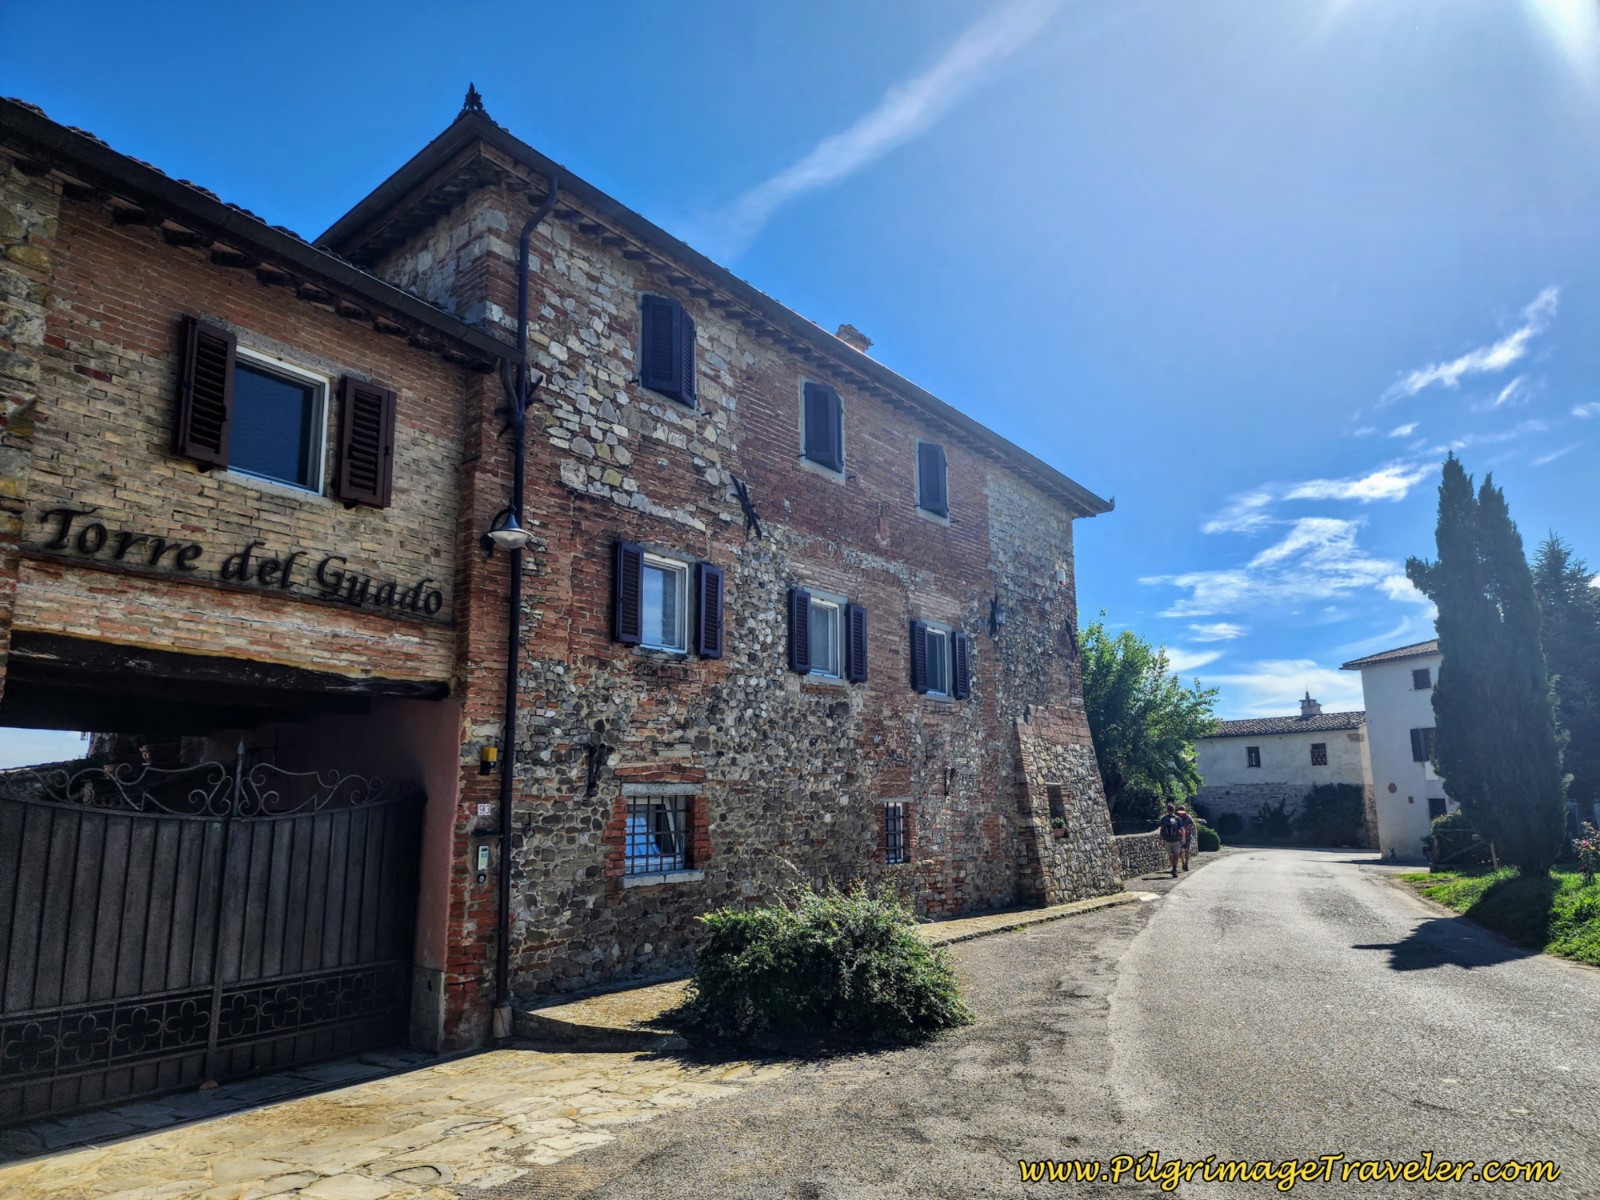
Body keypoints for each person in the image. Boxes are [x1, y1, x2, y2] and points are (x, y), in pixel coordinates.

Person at [1158, 802, 1185, 877]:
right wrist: (1183, 838)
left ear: (1167, 810)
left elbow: (1162, 830)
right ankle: (1174, 869)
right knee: (1176, 855)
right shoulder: (1178, 818)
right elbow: (1182, 829)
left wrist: (1160, 839)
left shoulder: (1164, 818)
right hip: (1176, 840)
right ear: (1174, 810)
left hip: (1167, 840)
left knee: (1170, 855)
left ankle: (1173, 867)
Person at [1176, 806, 1196, 871]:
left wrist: (1189, 828)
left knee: (1187, 850)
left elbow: (1194, 825)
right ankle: (1183, 863)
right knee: (1181, 851)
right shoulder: (1177, 818)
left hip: (1187, 836)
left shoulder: (1188, 817)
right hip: (1180, 837)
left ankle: (1186, 864)